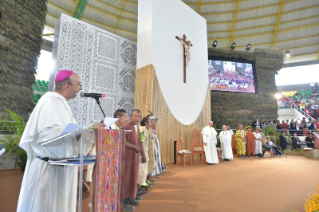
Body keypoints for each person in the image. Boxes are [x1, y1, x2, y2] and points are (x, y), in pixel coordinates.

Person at [17, 70, 106, 212]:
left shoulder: (61, 104)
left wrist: (90, 130)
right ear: (67, 86)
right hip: (50, 169)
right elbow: (49, 134)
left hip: (62, 167)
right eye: (79, 84)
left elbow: (68, 133)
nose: (81, 88)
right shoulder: (50, 102)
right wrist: (88, 128)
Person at [123, 109, 144, 210]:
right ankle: (124, 201)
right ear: (131, 117)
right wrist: (135, 147)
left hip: (135, 156)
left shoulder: (137, 128)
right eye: (135, 116)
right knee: (127, 177)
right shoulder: (127, 126)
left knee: (133, 176)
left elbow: (139, 141)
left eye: (139, 116)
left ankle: (131, 197)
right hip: (128, 156)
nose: (137, 118)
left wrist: (141, 153)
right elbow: (123, 141)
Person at [138, 117, 151, 189]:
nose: (151, 124)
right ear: (145, 123)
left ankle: (144, 181)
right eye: (149, 122)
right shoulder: (142, 129)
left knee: (145, 168)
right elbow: (140, 142)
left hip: (145, 151)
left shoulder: (145, 129)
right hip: (142, 152)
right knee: (142, 168)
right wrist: (143, 154)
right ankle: (141, 183)